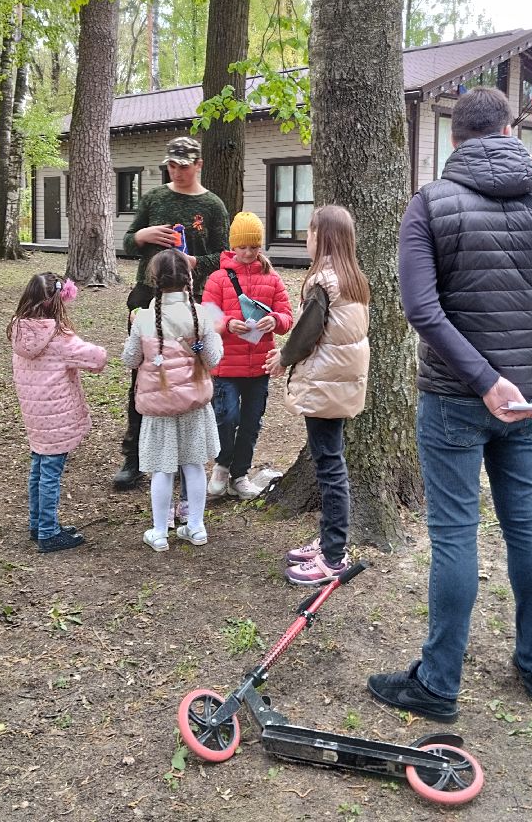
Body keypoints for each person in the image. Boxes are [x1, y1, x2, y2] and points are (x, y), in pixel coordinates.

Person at [366, 86, 532, 723]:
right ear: (510, 129)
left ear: (454, 136)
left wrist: (484, 380)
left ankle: (438, 684)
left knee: (456, 535)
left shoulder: (430, 202)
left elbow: (420, 308)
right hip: (530, 390)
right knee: (526, 524)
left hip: (460, 396)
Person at [113, 136, 229, 493]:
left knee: (189, 376)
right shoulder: (154, 198)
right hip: (148, 297)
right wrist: (145, 234)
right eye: (172, 165)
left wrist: (197, 262)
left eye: (184, 165)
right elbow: (128, 242)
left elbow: (224, 255)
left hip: (191, 300)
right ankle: (133, 458)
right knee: (145, 376)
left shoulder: (212, 206)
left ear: (198, 164)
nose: (177, 171)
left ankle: (184, 458)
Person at [265, 205, 370, 586]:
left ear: (322, 237)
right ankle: (329, 541)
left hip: (327, 382)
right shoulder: (352, 278)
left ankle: (333, 556)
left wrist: (282, 358)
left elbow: (307, 334)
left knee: (329, 466)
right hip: (342, 381)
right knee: (330, 461)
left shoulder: (322, 281)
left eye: (309, 231)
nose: (306, 238)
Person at [122, 249, 223, 551]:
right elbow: (214, 358)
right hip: (194, 403)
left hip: (159, 406)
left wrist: (135, 332)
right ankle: (196, 527)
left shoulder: (143, 319)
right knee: (193, 465)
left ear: (154, 280)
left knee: (162, 469)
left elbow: (130, 359)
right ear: (189, 279)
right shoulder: (200, 315)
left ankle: (159, 532)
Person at [8, 272, 108, 553]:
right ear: (56, 302)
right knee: (50, 473)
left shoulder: (19, 330)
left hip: (35, 416)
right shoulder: (57, 336)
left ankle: (38, 523)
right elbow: (95, 358)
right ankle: (49, 533)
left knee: (38, 470)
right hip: (57, 417)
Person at [202, 212, 293, 500]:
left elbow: (288, 316)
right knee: (227, 417)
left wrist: (275, 321)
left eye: (254, 247)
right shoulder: (218, 278)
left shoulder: (272, 278)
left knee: (252, 422)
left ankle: (239, 475)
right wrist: (228, 323)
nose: (248, 252)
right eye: (242, 247)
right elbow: (207, 316)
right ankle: (222, 465)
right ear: (233, 246)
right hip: (227, 365)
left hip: (260, 365)